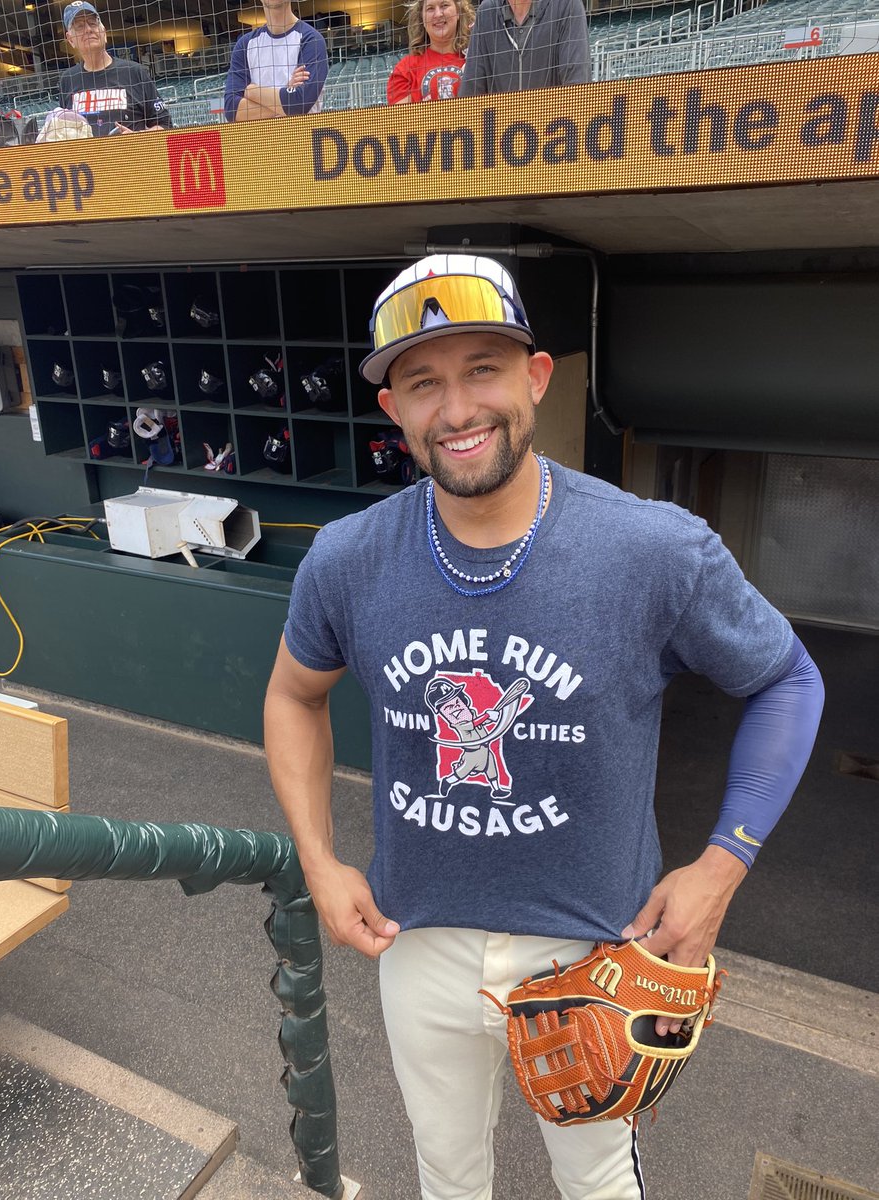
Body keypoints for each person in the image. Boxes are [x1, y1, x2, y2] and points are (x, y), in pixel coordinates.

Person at [263, 254, 824, 1199]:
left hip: (595, 948)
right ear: (393, 409)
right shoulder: (348, 559)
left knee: (598, 1180)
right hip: (416, 936)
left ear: (537, 376)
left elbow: (788, 679)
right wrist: (318, 860)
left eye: (483, 367)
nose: (456, 408)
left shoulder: (651, 548)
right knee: (446, 1175)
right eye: (422, 381)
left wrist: (721, 866)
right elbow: (292, 695)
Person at [59, 2, 172, 136]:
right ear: (70, 39)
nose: (88, 29)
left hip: (131, 155)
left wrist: (139, 137)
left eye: (93, 23)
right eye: (80, 26)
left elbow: (166, 125)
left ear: (104, 32)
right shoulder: (68, 80)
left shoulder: (134, 72)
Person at [224, 0, 328, 121]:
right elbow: (232, 110)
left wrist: (252, 91)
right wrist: (287, 93)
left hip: (302, 136)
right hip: (259, 138)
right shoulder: (245, 44)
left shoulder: (311, 40)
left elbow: (300, 103)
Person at [459, 0, 591, 95]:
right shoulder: (487, 12)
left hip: (555, 128)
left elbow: (577, 86)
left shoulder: (567, 5)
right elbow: (471, 91)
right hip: (502, 130)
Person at [387, 0, 475, 105]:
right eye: (430, 8)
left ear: (458, 12)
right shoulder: (405, 69)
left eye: (444, 5)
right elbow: (401, 118)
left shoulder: (476, 59)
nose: (438, 14)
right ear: (422, 18)